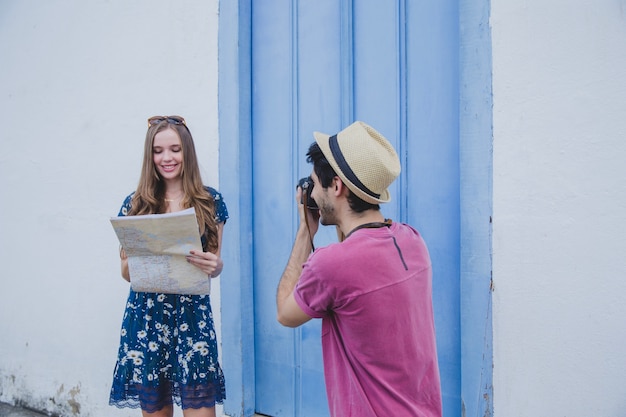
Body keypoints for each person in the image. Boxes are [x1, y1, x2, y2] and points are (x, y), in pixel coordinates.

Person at [276, 121, 442, 417]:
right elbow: (358, 256)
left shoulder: (330, 264)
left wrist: (306, 230)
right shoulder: (413, 241)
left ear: (336, 186)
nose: (312, 194)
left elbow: (285, 314)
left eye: (315, 184)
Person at [109, 115, 228, 417]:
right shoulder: (135, 204)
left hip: (193, 318)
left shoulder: (210, 201)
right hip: (147, 317)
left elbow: (212, 265)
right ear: (150, 156)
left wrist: (215, 266)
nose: (167, 158)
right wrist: (141, 258)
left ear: (186, 151)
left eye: (175, 149)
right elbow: (126, 274)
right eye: (158, 151)